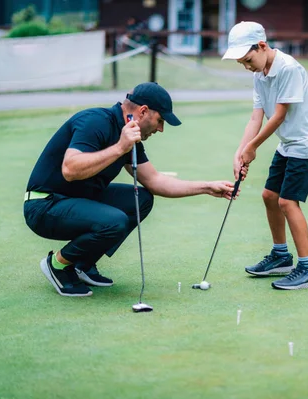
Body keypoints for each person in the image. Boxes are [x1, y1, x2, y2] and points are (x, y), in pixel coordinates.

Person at [23, 82, 236, 297]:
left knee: (142, 199)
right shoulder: (95, 121)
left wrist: (207, 187)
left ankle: (82, 263)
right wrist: (120, 148)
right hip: (45, 205)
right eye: (160, 121)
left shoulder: (129, 137)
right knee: (114, 221)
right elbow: (70, 169)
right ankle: (58, 265)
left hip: (78, 201)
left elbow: (155, 181)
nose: (161, 129)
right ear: (143, 111)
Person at [222, 22, 308, 290]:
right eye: (241, 63)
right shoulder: (259, 74)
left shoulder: (289, 68)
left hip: (307, 143)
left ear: (261, 46)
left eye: (248, 60)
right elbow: (256, 117)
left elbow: (279, 115)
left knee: (287, 201)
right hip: (288, 144)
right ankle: (281, 256)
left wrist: (254, 147)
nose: (247, 67)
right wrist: (240, 150)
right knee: (269, 196)